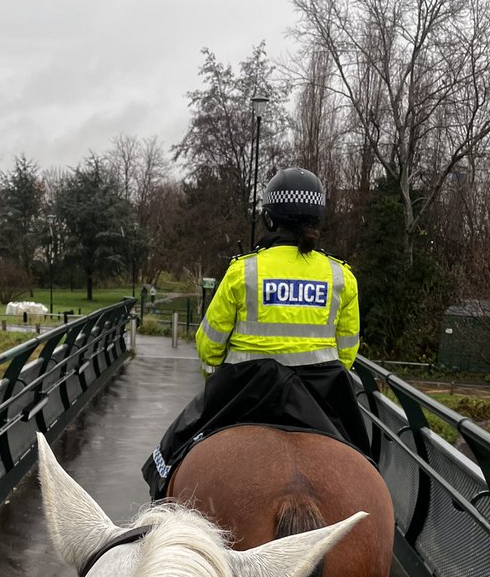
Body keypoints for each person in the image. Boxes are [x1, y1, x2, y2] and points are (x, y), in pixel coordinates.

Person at [142, 166, 371, 499]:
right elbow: (347, 352)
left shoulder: (243, 271)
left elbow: (208, 348)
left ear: (269, 219)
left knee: (173, 453)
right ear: (315, 220)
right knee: (364, 467)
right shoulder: (341, 277)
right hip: (322, 397)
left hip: (244, 394)